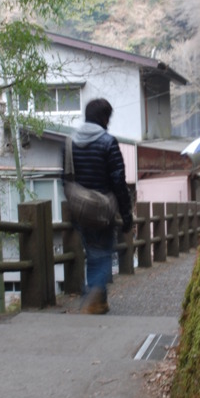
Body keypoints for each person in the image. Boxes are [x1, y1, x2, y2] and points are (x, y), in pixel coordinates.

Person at [67, 98, 133, 314]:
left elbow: (65, 178)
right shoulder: (108, 142)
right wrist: (126, 213)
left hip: (80, 211)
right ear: (104, 117)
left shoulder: (70, 142)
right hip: (103, 210)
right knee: (102, 253)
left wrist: (73, 207)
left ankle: (100, 302)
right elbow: (118, 180)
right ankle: (93, 293)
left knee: (92, 252)